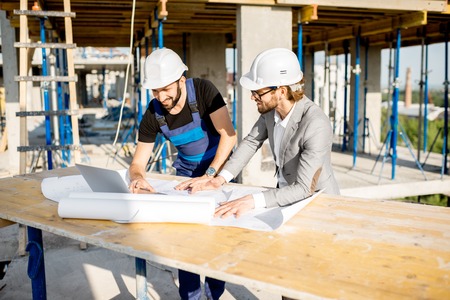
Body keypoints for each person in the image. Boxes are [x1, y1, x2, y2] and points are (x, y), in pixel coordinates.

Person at [176, 47, 340, 219]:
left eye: (258, 92)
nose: (252, 97)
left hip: (318, 205)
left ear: (281, 91)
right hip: (285, 198)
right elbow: (251, 142)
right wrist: (220, 179)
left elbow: (304, 188)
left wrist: (251, 201)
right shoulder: (271, 111)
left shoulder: (316, 125)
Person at [128, 47, 236, 300]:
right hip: (184, 175)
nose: (161, 96)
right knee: (185, 243)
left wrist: (210, 175)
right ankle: (191, 296)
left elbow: (229, 136)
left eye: (166, 89)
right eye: (155, 90)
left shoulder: (203, 90)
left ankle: (214, 295)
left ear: (180, 80)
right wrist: (137, 178)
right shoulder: (154, 112)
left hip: (217, 171)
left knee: (216, 240)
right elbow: (137, 163)